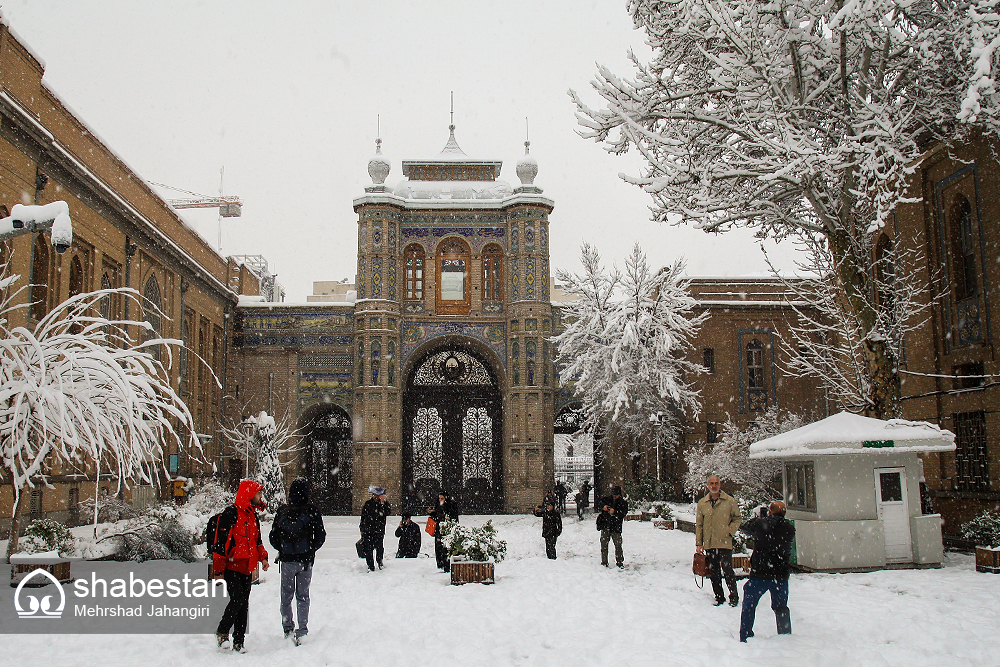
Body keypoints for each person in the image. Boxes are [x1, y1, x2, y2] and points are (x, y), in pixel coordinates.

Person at [213, 479, 270, 653]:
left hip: (247, 567)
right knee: (237, 600)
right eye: (258, 493)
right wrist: (218, 571)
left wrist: (264, 558)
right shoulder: (231, 514)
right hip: (232, 567)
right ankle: (222, 631)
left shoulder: (252, 516)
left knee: (243, 603)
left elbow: (257, 540)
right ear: (249, 494)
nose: (260, 496)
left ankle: (239, 640)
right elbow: (220, 544)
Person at [268, 477, 326, 646]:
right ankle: (302, 630)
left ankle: (287, 627)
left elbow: (273, 536)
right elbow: (321, 536)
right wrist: (310, 549)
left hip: (287, 561)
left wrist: (283, 549)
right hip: (305, 562)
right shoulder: (312, 511)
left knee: (286, 595)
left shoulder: (283, 511)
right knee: (303, 596)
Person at [738, 501, 796, 642]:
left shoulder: (761, 524)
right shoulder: (789, 528)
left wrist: (761, 518)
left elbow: (744, 527)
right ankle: (784, 636)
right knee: (781, 607)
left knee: (749, 604)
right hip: (780, 575)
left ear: (770, 511)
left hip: (760, 573)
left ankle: (745, 634)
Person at [695, 475, 742, 607]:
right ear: (708, 485)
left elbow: (737, 518)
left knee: (728, 570)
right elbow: (699, 524)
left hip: (724, 542)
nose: (714, 486)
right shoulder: (703, 503)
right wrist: (699, 543)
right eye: (711, 483)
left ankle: (733, 596)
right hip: (710, 543)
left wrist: (729, 531)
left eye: (716, 483)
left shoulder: (729, 501)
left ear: (720, 485)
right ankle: (719, 596)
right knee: (714, 572)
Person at [359, 485, 391, 571]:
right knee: (368, 549)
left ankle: (379, 561)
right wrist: (362, 528)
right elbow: (363, 517)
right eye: (375, 495)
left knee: (379, 548)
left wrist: (383, 503)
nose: (376, 497)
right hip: (368, 530)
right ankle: (370, 565)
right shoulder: (368, 504)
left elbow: (387, 512)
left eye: (378, 495)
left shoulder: (383, 504)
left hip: (379, 530)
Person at [428, 491, 459, 572]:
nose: (440, 500)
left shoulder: (451, 505)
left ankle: (447, 565)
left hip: (447, 529)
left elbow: (451, 516)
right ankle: (441, 564)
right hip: (439, 528)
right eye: (439, 498)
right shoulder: (438, 505)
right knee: (439, 547)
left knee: (446, 548)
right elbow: (438, 515)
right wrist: (433, 512)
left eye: (442, 498)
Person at [598, 485, 629, 568]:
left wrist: (615, 512)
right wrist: (603, 506)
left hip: (616, 526)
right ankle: (604, 561)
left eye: (616, 495)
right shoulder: (607, 499)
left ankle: (619, 561)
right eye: (613, 494)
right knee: (604, 544)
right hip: (606, 525)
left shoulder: (622, 502)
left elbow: (623, 513)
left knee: (618, 545)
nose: (614, 496)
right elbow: (599, 502)